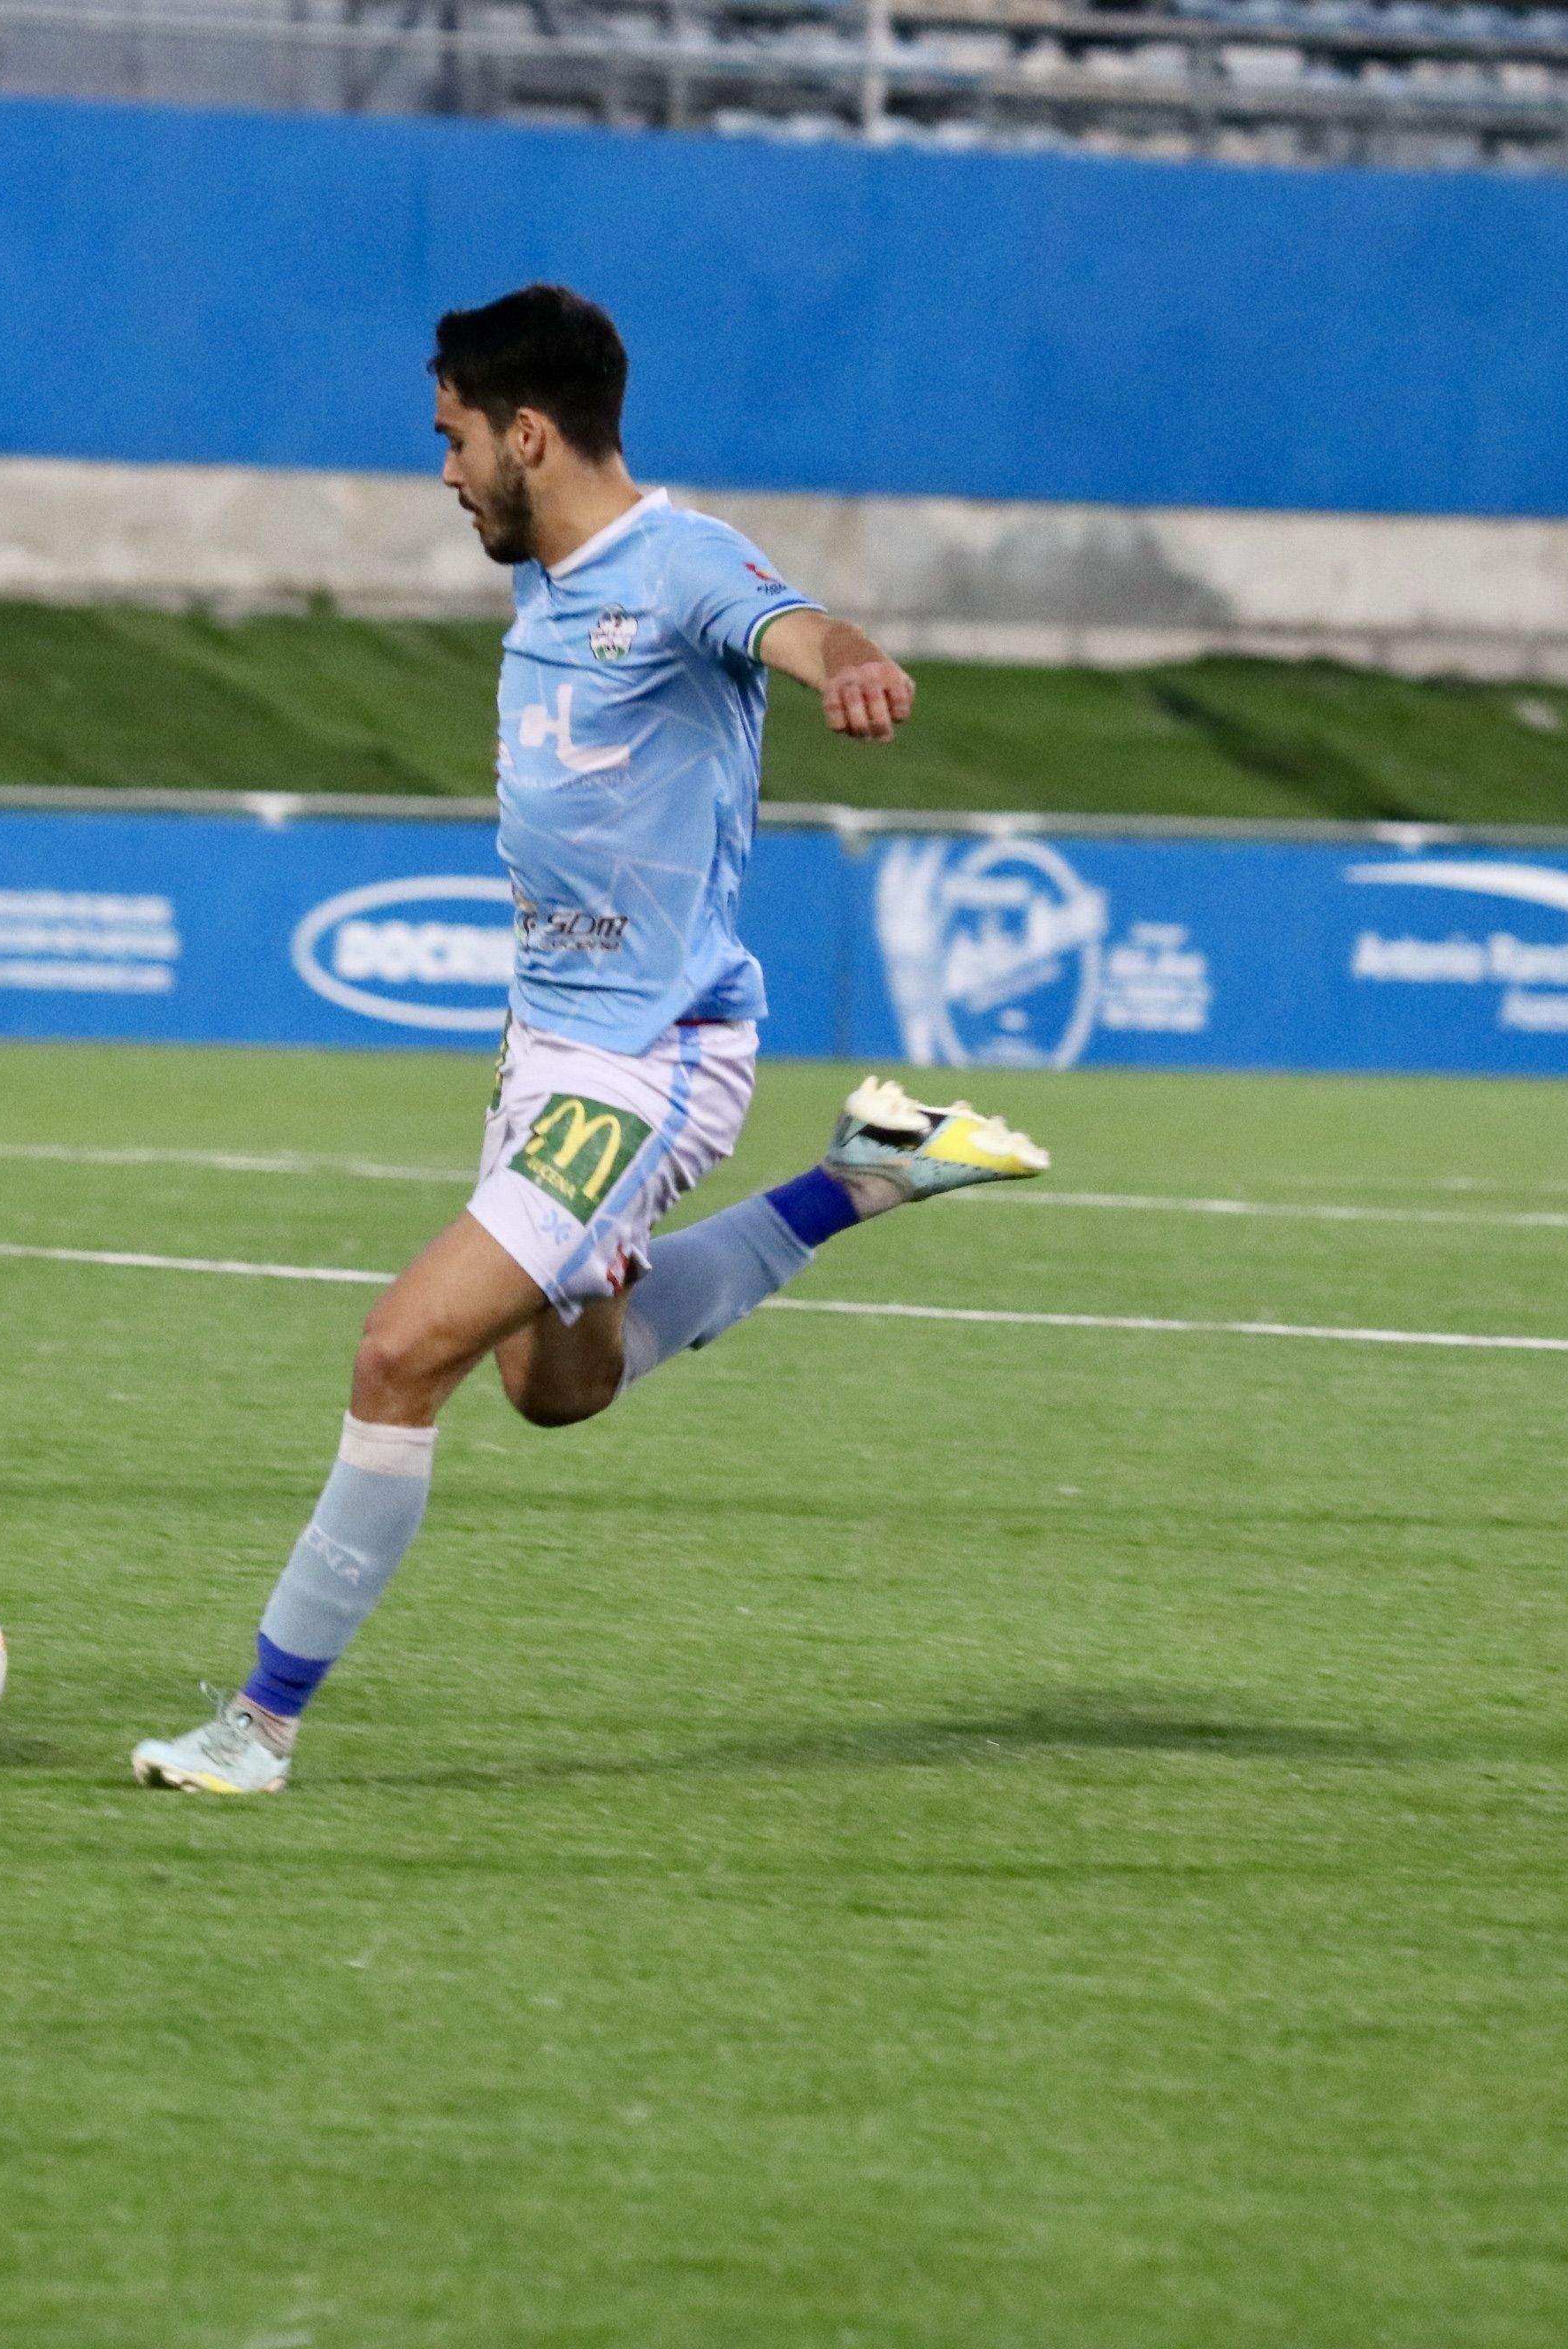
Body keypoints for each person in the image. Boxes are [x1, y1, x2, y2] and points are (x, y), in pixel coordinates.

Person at [131, 285, 1051, 1797]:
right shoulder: (546, 580)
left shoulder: (674, 560)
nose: (441, 473)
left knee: (397, 1352)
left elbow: (792, 621)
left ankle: (257, 1724)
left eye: (452, 439)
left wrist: (850, 667)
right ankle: (855, 1180)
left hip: (650, 1058)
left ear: (528, 434)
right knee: (554, 1387)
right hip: (544, 1051)